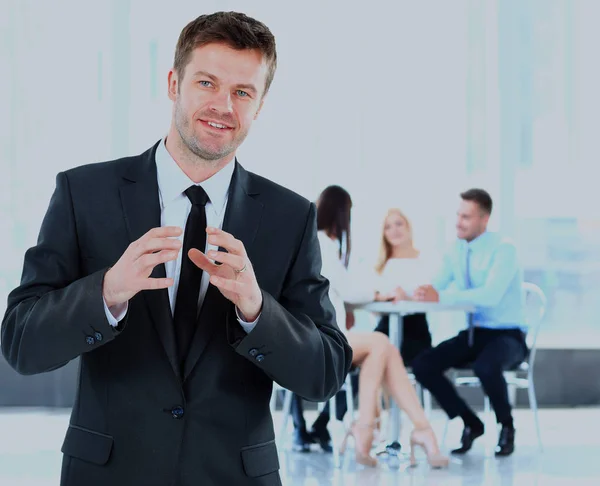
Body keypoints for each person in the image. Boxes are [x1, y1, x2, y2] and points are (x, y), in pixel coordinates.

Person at [1, 12, 352, 486]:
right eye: (206, 82)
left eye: (242, 92)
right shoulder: (84, 193)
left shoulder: (291, 217)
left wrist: (257, 310)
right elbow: (21, 343)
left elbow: (326, 373)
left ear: (260, 104)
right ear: (173, 83)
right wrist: (104, 294)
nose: (223, 105)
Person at [294, 185, 448, 468]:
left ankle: (367, 429)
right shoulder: (323, 244)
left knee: (381, 350)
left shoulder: (315, 243)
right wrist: (379, 295)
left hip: (318, 335)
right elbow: (350, 290)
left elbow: (338, 290)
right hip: (317, 340)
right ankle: (417, 431)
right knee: (383, 345)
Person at [412, 188, 528, 457]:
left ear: (484, 220)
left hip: (508, 336)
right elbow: (436, 286)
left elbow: (490, 296)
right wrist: (416, 293)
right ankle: (470, 422)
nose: (458, 222)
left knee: (486, 366)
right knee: (423, 365)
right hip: (475, 334)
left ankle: (507, 427)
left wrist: (440, 295)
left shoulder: (504, 250)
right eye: (458, 215)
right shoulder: (456, 250)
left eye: (466, 216)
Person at [372, 208, 434, 366]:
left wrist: (407, 297)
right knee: (372, 360)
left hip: (415, 328)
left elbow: (433, 295)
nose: (394, 230)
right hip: (385, 327)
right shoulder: (380, 265)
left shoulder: (425, 260)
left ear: (408, 227)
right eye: (388, 227)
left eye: (399, 224)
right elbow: (373, 305)